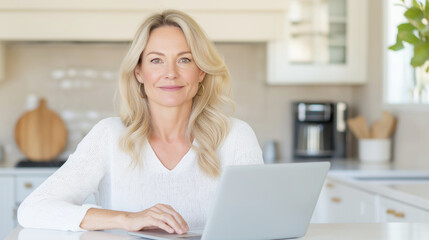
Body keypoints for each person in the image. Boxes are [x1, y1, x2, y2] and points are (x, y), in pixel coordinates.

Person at [17, 9, 263, 234]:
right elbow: (33, 209)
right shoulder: (109, 135)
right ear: (139, 72)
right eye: (156, 60)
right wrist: (126, 219)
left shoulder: (235, 136)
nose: (171, 73)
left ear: (201, 71)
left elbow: (259, 221)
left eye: (184, 59)